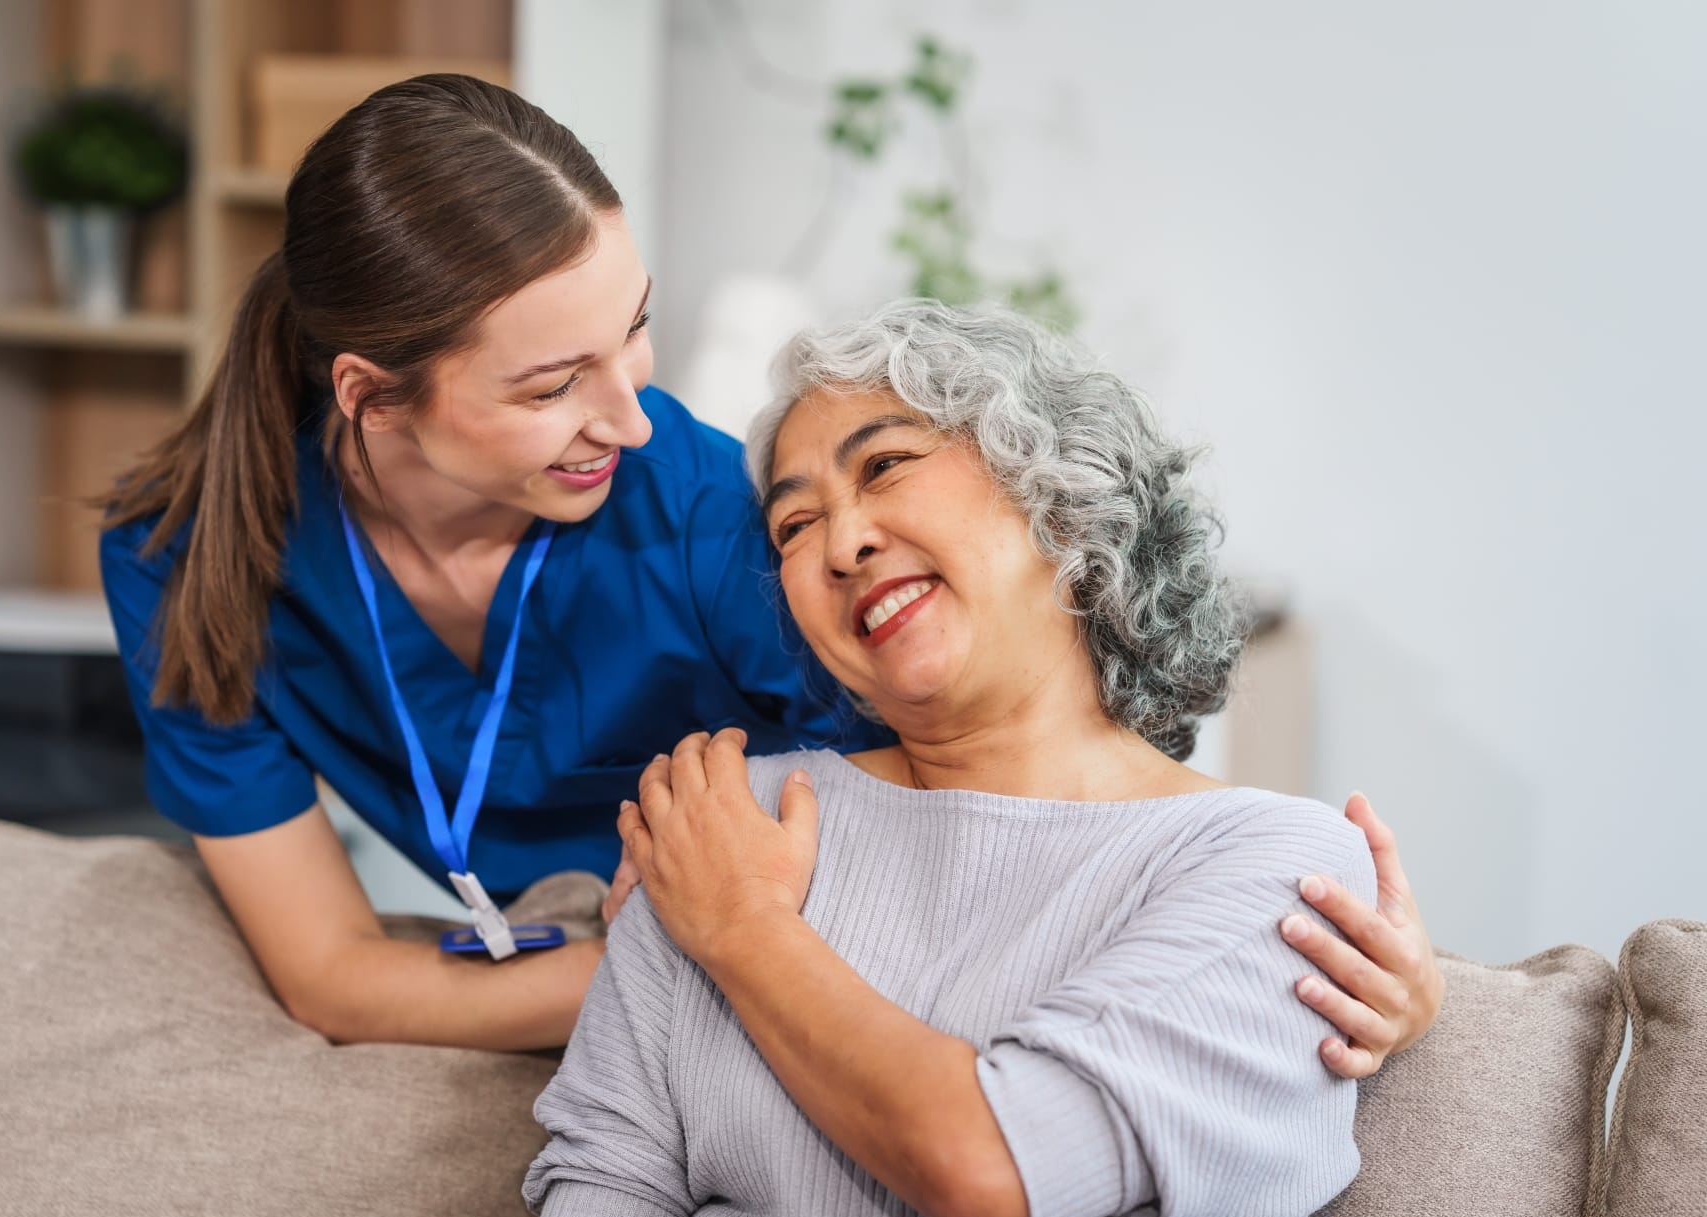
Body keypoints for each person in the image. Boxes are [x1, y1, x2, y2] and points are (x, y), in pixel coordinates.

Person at [100, 75, 1441, 1067]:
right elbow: (333, 980)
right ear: (374, 399)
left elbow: (1015, 806)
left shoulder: (700, 508)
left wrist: (1280, 950)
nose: (628, 417)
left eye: (632, 335)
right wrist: (660, 960)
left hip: (752, 991)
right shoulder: (188, 561)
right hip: (666, 980)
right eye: (554, 384)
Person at [520, 301, 1406, 1217]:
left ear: (1061, 499)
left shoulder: (1264, 861)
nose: (840, 542)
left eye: (885, 465)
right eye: (792, 526)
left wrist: (743, 930)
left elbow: (987, 1164)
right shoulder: (725, 819)